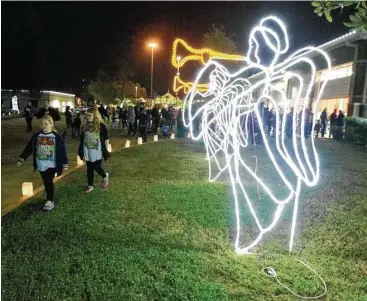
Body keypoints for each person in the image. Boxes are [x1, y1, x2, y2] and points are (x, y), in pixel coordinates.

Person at [17, 115, 68, 211]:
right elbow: (29, 148)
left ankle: (50, 200)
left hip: (52, 165)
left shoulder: (57, 137)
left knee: (48, 182)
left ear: (51, 124)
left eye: (46, 124)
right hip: (41, 164)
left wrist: (65, 164)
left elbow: (62, 151)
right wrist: (22, 158)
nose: (43, 126)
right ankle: (49, 195)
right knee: (46, 181)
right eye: (42, 124)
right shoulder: (37, 136)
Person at [78, 108, 110, 194]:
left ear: (95, 115)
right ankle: (90, 185)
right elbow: (82, 139)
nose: (88, 117)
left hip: (98, 151)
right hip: (87, 150)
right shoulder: (85, 126)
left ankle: (105, 176)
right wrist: (81, 150)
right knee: (89, 168)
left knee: (96, 166)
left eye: (90, 115)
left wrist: (105, 150)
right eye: (87, 115)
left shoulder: (101, 126)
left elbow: (106, 139)